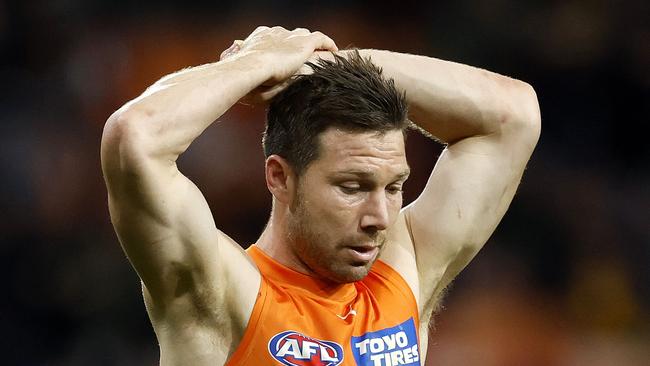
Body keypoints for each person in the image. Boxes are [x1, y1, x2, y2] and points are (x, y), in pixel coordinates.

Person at [101, 26, 540, 365]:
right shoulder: (221, 294)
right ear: (279, 177)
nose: (380, 217)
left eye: (393, 187)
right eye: (352, 187)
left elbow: (513, 115)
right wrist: (255, 63)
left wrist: (320, 64)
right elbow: (134, 138)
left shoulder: (405, 273)